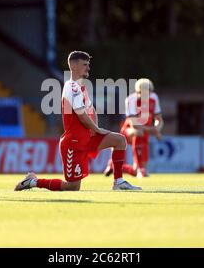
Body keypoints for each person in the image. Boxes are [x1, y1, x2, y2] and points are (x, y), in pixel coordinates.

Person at [14, 51, 141, 191]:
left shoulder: (82, 88)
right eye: (85, 64)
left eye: (88, 65)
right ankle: (33, 181)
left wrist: (95, 129)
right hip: (74, 142)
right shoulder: (71, 86)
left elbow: (91, 111)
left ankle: (119, 182)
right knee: (72, 187)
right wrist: (97, 129)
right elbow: (81, 115)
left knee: (119, 140)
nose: (88, 68)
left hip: (87, 137)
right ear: (74, 66)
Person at [104, 78, 164, 178]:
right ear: (137, 91)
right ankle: (140, 168)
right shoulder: (131, 99)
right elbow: (134, 123)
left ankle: (120, 167)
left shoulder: (154, 98)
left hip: (145, 130)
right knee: (138, 132)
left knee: (136, 171)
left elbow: (159, 119)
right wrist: (154, 130)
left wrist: (158, 128)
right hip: (128, 130)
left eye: (148, 92)